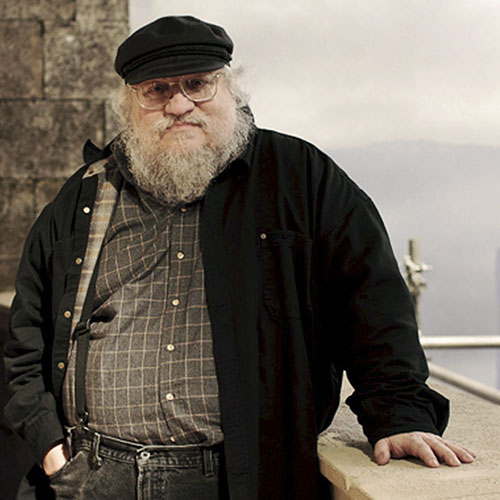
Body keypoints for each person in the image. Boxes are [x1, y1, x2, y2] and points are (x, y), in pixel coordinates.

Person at [3, 15, 475, 500]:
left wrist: (399, 415)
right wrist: (51, 449)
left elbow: (372, 302)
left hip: (237, 481)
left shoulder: (300, 178)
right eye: (157, 90)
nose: (179, 105)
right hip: (90, 479)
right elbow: (26, 335)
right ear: (129, 104)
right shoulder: (84, 196)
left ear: (230, 87)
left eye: (197, 84)